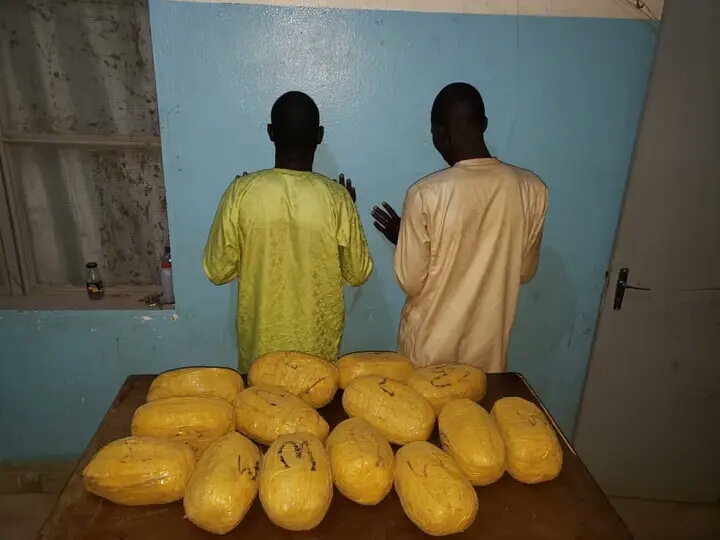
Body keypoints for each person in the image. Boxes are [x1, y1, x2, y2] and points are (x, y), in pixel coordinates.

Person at [372, 82, 548, 373]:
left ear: (439, 134)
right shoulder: (532, 190)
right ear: (484, 124)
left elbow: (411, 281)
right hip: (488, 359)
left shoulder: (426, 194)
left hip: (429, 358)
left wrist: (405, 239)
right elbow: (524, 272)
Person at [204, 91, 373, 372]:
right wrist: (347, 213)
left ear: (271, 132)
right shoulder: (337, 198)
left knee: (259, 401)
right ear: (319, 135)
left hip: (259, 359)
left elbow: (217, 270)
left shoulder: (241, 192)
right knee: (316, 401)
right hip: (317, 361)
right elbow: (358, 273)